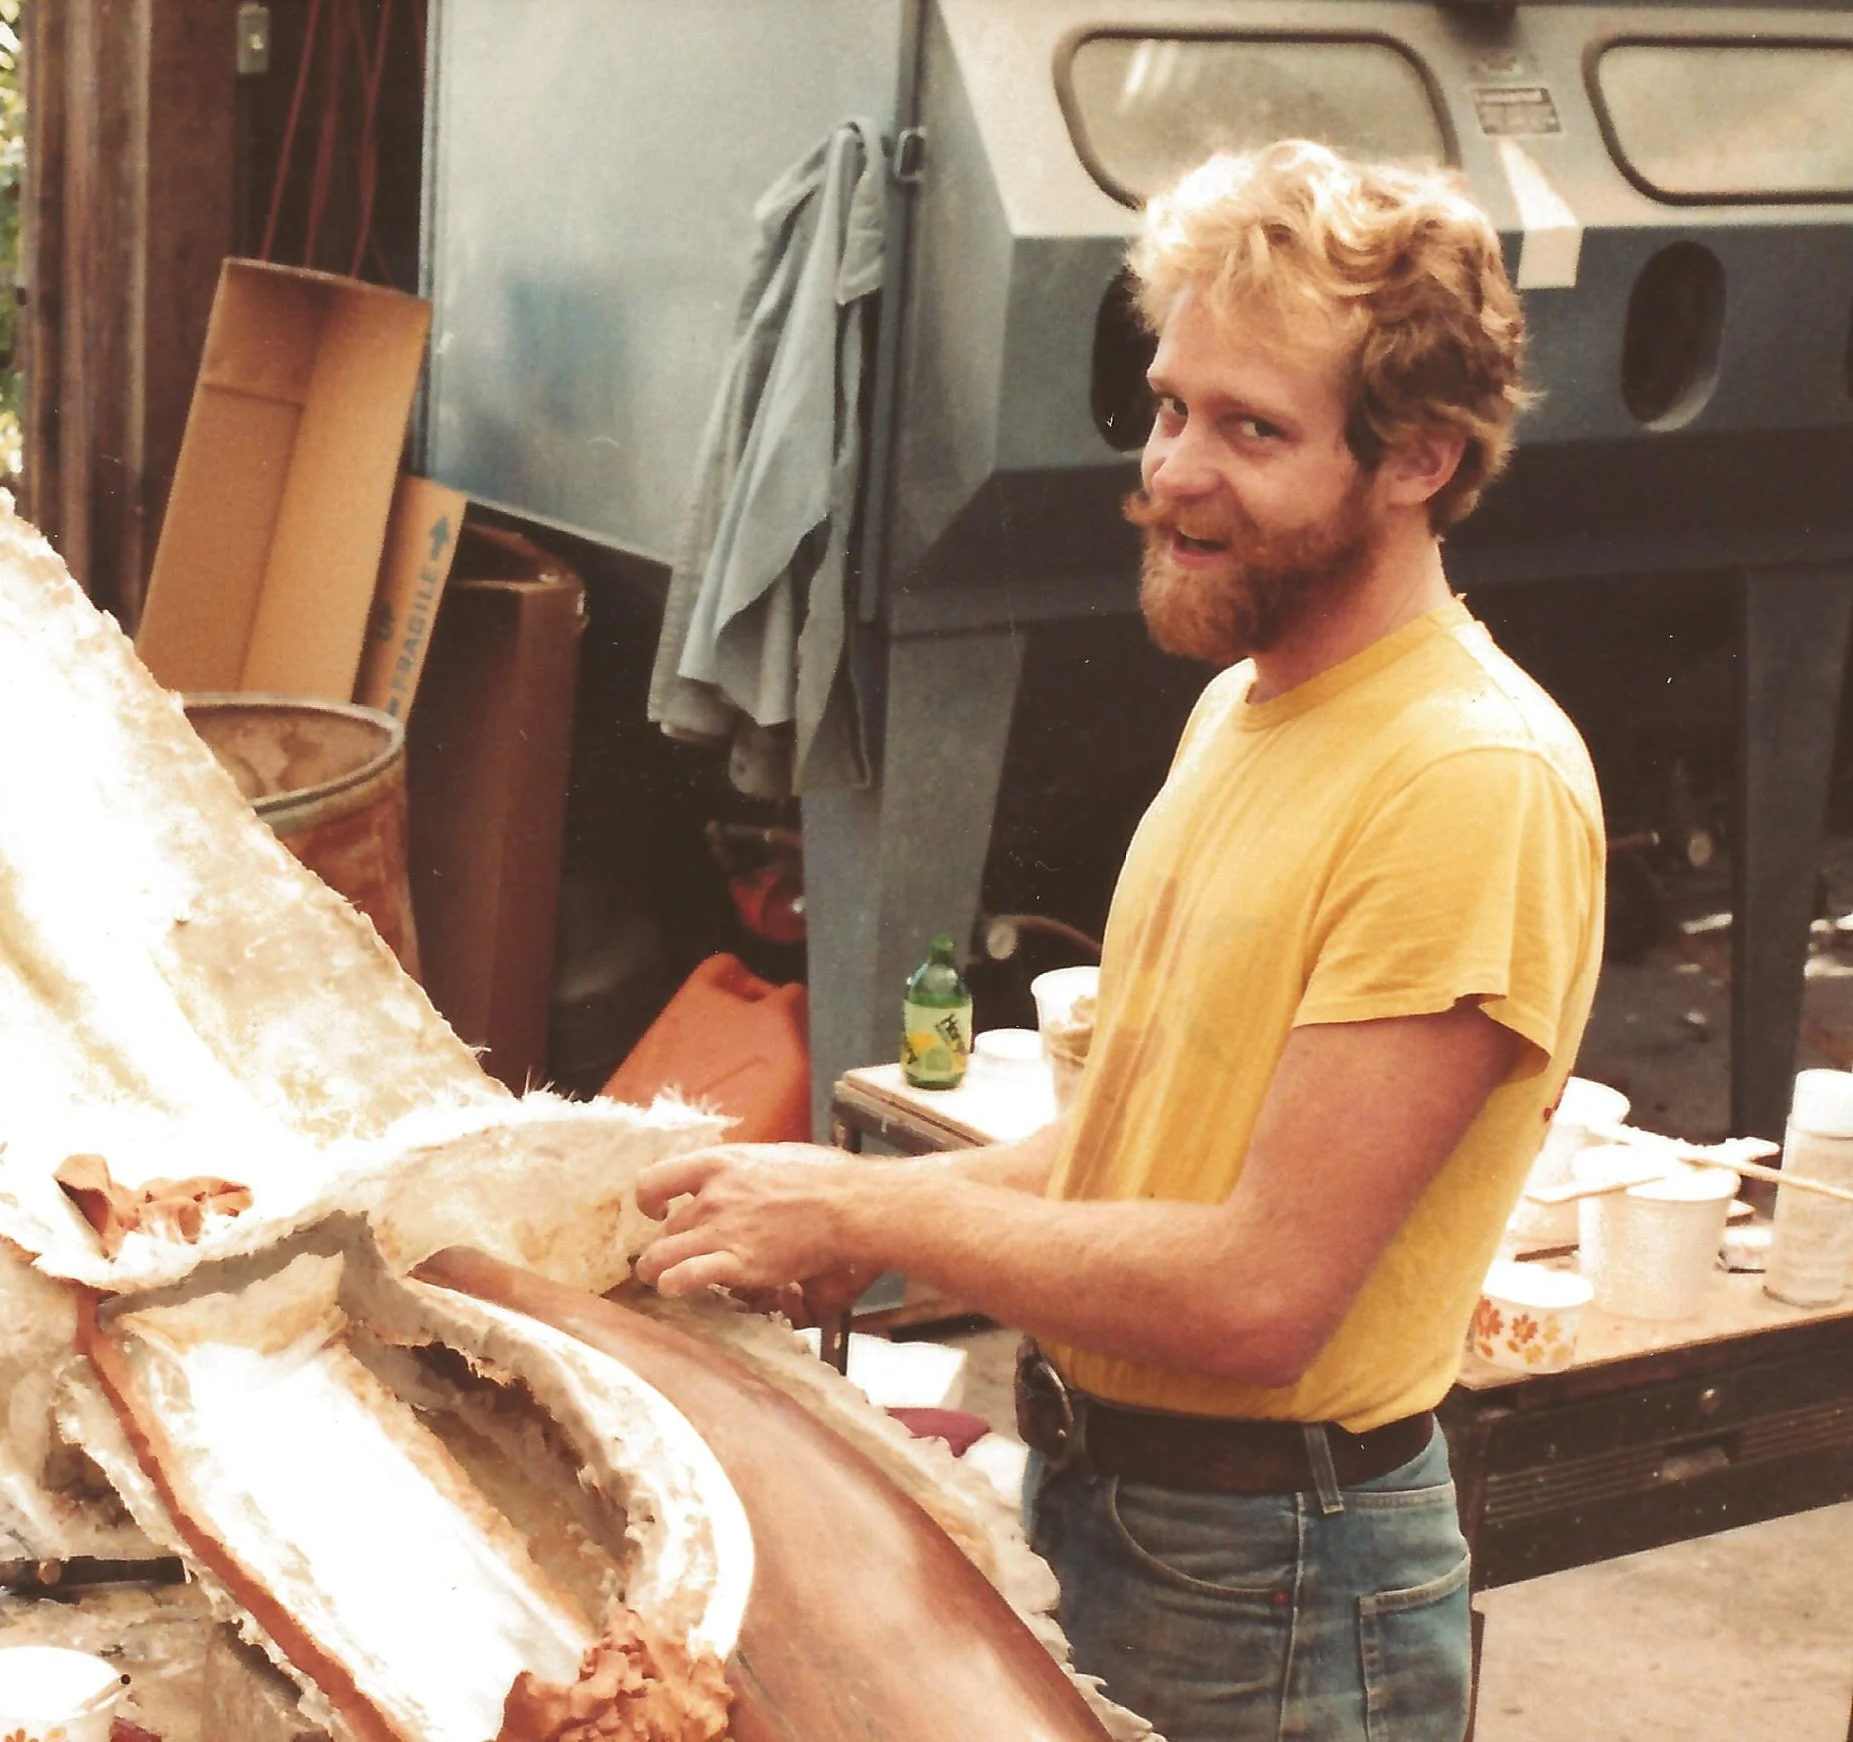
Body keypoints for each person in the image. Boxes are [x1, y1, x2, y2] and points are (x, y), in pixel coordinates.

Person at [633, 140, 1605, 1742]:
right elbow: (1133, 1156)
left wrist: (870, 1203)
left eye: (1251, 429)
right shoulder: (1248, 701)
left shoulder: (1464, 781)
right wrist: (825, 1213)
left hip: (1276, 1577)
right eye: (1167, 406)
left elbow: (1258, 1290)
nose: (1169, 473)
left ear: (1420, 458)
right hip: (1122, 1506)